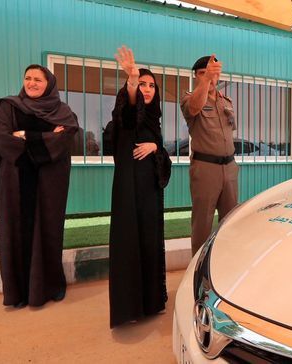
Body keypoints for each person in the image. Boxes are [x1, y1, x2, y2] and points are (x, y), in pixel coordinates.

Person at [0, 64, 79, 308]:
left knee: (48, 230)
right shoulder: (7, 106)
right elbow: (1, 139)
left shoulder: (63, 111)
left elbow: (67, 137)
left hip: (50, 182)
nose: (32, 83)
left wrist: (24, 135)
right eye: (28, 78)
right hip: (14, 179)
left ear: (48, 83)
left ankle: (49, 287)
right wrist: (43, 138)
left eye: (38, 79)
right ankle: (18, 294)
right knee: (13, 230)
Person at [109, 46, 172, 328]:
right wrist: (132, 80)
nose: (146, 89)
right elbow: (130, 112)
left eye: (150, 86)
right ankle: (131, 306)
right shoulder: (127, 112)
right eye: (142, 85)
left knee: (149, 240)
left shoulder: (153, 120)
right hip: (129, 192)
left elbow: (163, 157)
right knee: (130, 241)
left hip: (149, 192)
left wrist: (156, 145)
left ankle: (151, 302)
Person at [181, 55, 238, 255]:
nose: (209, 77)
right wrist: (206, 81)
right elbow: (196, 107)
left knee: (230, 222)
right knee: (202, 225)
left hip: (229, 168)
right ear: (196, 76)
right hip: (206, 169)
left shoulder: (226, 102)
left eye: (212, 73)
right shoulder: (189, 98)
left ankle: (225, 265)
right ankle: (197, 273)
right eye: (202, 73)